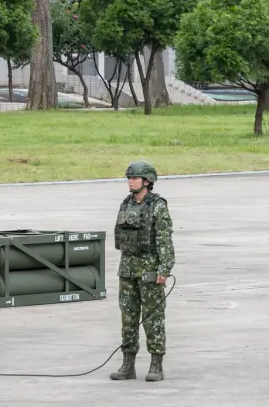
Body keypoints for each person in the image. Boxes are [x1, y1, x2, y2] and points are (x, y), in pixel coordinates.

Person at [110, 160, 175, 382]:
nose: (130, 181)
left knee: (152, 318)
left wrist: (164, 269)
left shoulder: (158, 206)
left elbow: (165, 240)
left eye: (134, 178)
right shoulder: (126, 203)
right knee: (128, 318)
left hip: (149, 270)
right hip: (127, 270)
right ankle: (128, 364)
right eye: (129, 178)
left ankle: (156, 364)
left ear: (147, 181)